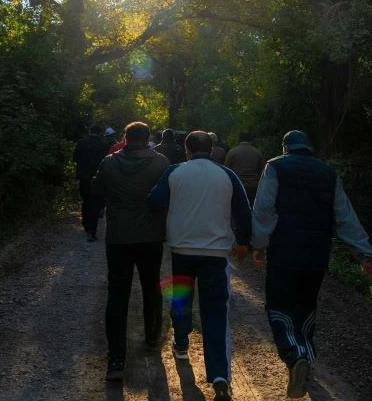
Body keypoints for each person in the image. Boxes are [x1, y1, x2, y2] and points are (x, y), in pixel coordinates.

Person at [251, 130, 372, 398]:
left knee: (279, 303)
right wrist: (365, 253)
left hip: (285, 250)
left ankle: (293, 354)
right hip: (317, 252)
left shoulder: (275, 166)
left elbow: (264, 208)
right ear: (308, 148)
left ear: (285, 147)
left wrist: (259, 244)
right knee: (306, 303)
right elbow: (344, 216)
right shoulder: (328, 173)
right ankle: (306, 355)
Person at [147, 131, 252, 401]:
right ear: (213, 149)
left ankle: (181, 344)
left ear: (187, 150)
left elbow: (154, 201)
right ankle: (218, 376)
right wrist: (243, 242)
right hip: (216, 254)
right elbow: (243, 211)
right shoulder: (227, 175)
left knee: (181, 299)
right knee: (215, 311)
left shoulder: (174, 172)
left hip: (182, 248)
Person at [91, 122, 171, 381]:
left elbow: (96, 192)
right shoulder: (160, 163)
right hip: (150, 237)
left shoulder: (108, 163)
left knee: (117, 294)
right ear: (147, 138)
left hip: (118, 238)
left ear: (125, 138)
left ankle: (116, 360)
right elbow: (166, 196)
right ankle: (151, 337)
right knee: (151, 286)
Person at [73, 125, 110, 241]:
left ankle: (85, 225)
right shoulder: (104, 144)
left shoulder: (81, 143)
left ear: (90, 131)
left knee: (86, 201)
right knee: (95, 203)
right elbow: (107, 161)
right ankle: (92, 231)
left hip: (84, 177)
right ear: (100, 133)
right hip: (98, 178)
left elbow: (75, 158)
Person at [224, 132, 265, 203]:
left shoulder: (232, 152)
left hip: (237, 185)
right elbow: (262, 171)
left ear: (239, 139)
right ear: (250, 139)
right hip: (254, 186)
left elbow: (226, 170)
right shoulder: (257, 152)